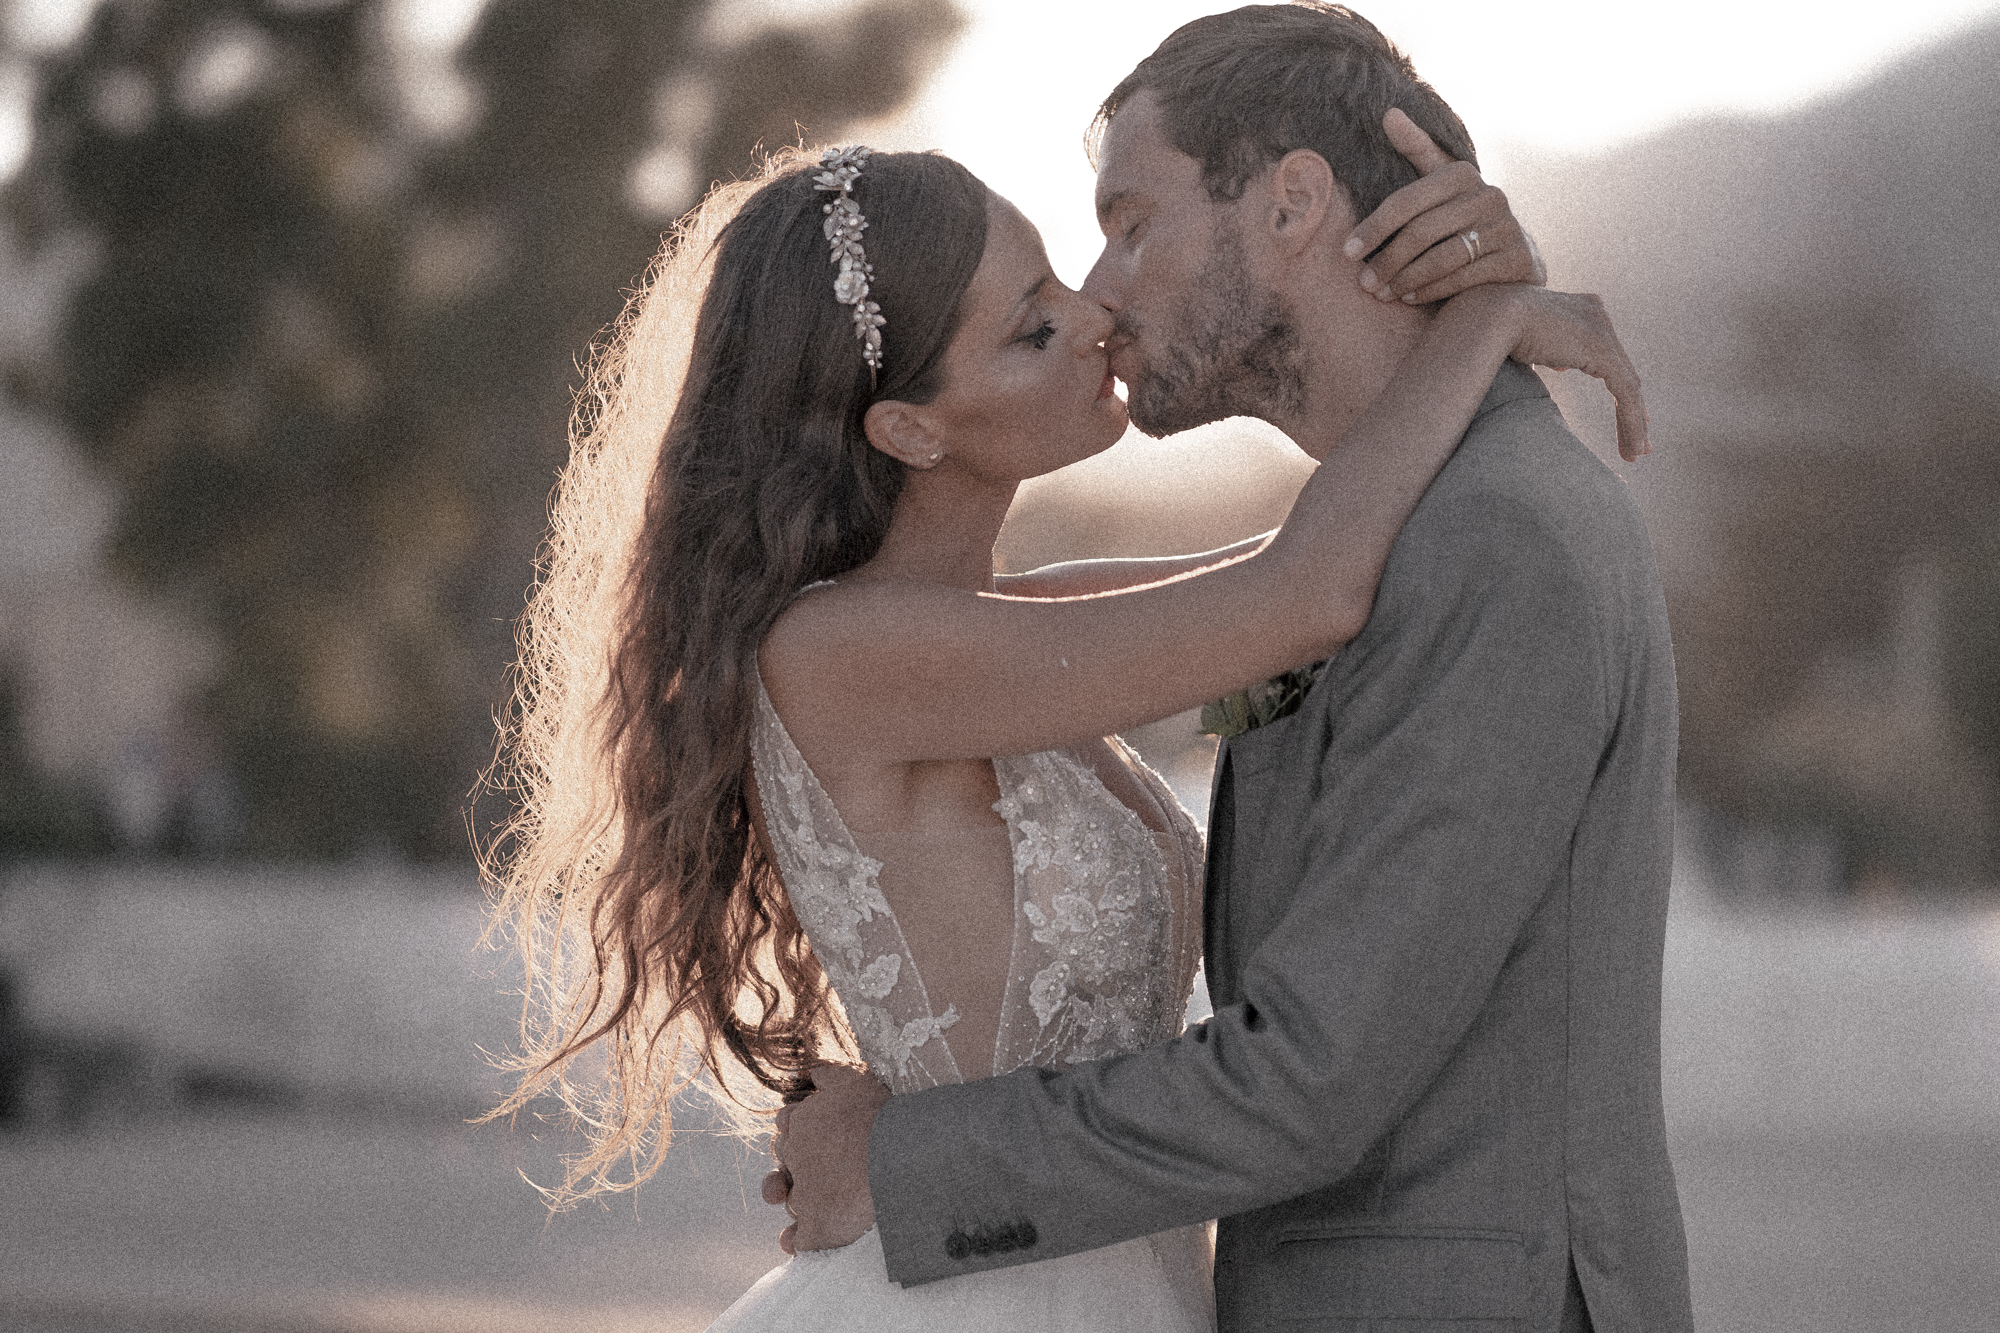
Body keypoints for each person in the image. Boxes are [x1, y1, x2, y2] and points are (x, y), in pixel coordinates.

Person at [485, 25, 1642, 1333]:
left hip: (1109, 1269)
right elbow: (1304, 595)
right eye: (1034, 328)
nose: (1096, 314)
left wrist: (1466, 316)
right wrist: (1485, 321)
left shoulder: (1030, 633)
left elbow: (1309, 633)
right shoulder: (842, 656)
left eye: (1079, 263)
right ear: (912, 427)